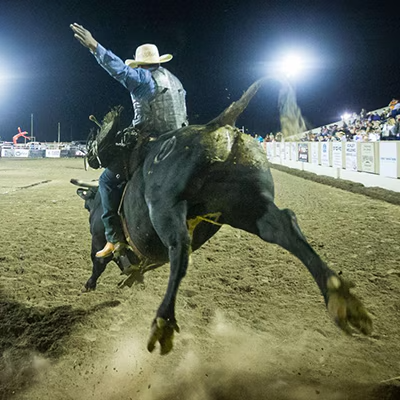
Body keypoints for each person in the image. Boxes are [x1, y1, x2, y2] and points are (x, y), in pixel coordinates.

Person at [70, 23, 188, 258]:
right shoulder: (173, 80)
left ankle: (113, 238)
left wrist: (95, 47)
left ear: (141, 64)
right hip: (180, 140)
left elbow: (121, 71)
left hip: (153, 143)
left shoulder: (143, 78)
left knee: (106, 181)